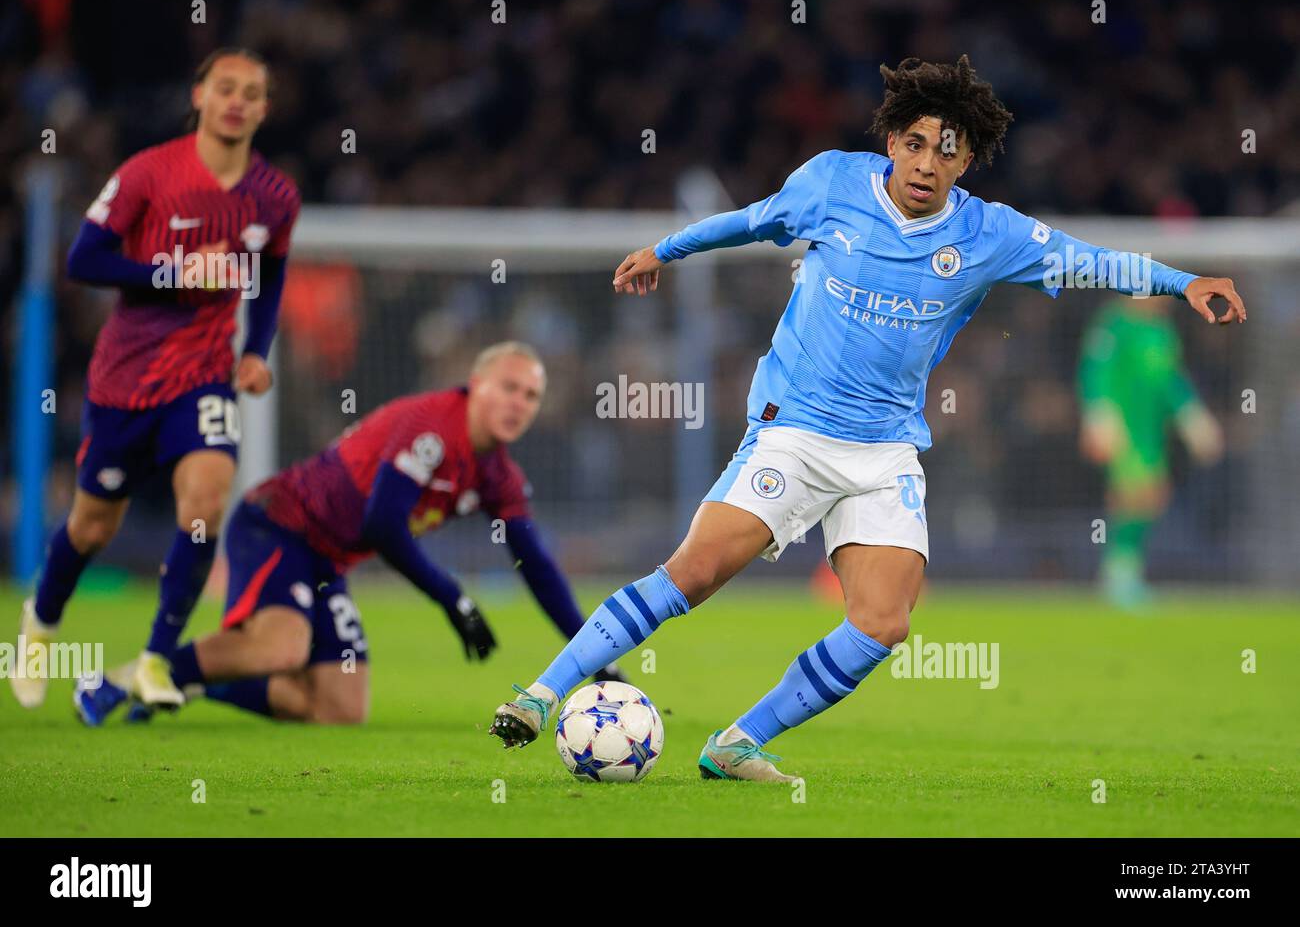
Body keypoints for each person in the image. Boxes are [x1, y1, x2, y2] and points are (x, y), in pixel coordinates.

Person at [487, 56, 1246, 781]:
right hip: (796, 428)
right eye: (913, 143)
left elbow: (1091, 260)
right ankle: (539, 693)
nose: (924, 163)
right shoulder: (832, 184)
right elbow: (752, 221)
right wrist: (664, 248)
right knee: (693, 574)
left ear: (966, 162)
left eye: (944, 152)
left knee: (884, 623)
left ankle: (737, 741)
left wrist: (1184, 284)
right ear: (890, 142)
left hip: (885, 450)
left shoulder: (989, 235)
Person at [75, 342, 621, 725]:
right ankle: (120, 680)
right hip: (279, 524)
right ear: (476, 385)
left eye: (530, 395)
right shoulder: (433, 428)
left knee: (337, 709)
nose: (518, 403)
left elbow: (538, 568)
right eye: (509, 387)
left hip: (326, 559)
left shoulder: (499, 474)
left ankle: (189, 680)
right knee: (279, 647)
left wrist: (599, 657)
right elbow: (381, 525)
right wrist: (453, 599)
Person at [13, 48, 300, 710]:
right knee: (91, 527)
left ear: (264, 108)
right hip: (126, 380)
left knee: (204, 505)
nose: (237, 101)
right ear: (198, 96)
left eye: (251, 92)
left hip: (204, 378)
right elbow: (84, 259)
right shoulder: (149, 172)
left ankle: (154, 660)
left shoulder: (275, 197)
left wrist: (256, 350)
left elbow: (272, 281)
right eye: (224, 87)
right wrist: (171, 274)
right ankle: (41, 624)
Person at [1078, 297, 1224, 607]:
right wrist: (1099, 414)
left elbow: (1171, 379)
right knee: (1136, 494)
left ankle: (1122, 573)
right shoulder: (1113, 324)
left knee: (1152, 496)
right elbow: (1094, 370)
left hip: (1151, 432)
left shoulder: (1162, 331)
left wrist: (1193, 417)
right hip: (1122, 426)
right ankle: (1119, 576)